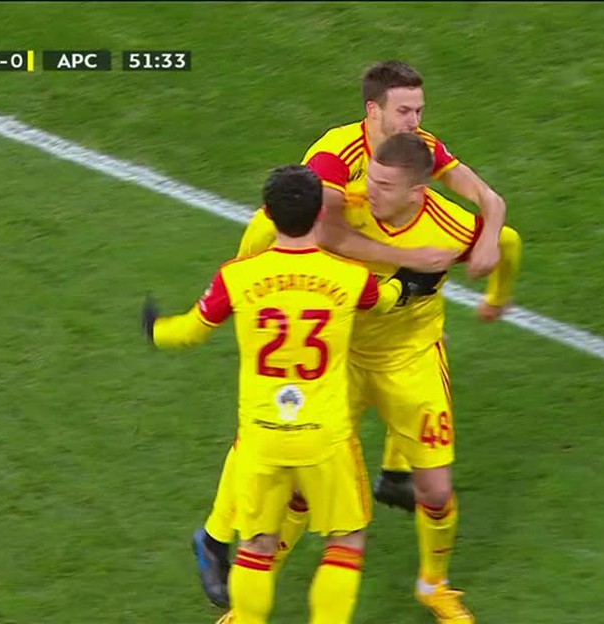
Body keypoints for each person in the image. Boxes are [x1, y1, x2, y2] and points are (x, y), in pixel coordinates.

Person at [194, 60, 514, 608]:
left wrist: (492, 271)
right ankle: (225, 556)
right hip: (335, 353)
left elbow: (495, 213)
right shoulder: (335, 164)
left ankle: (432, 582)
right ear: (373, 110)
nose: (416, 122)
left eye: (419, 110)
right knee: (289, 474)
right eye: (404, 111)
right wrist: (407, 259)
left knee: (434, 489)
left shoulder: (420, 158)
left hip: (407, 356)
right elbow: (316, 233)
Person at [147, 164, 443, 623]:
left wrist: (155, 329)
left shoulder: (237, 277)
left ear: (267, 214)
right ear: (321, 212)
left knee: (256, 545)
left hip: (262, 437)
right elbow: (385, 301)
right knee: (346, 541)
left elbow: (190, 331)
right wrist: (408, 282)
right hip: (325, 437)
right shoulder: (348, 277)